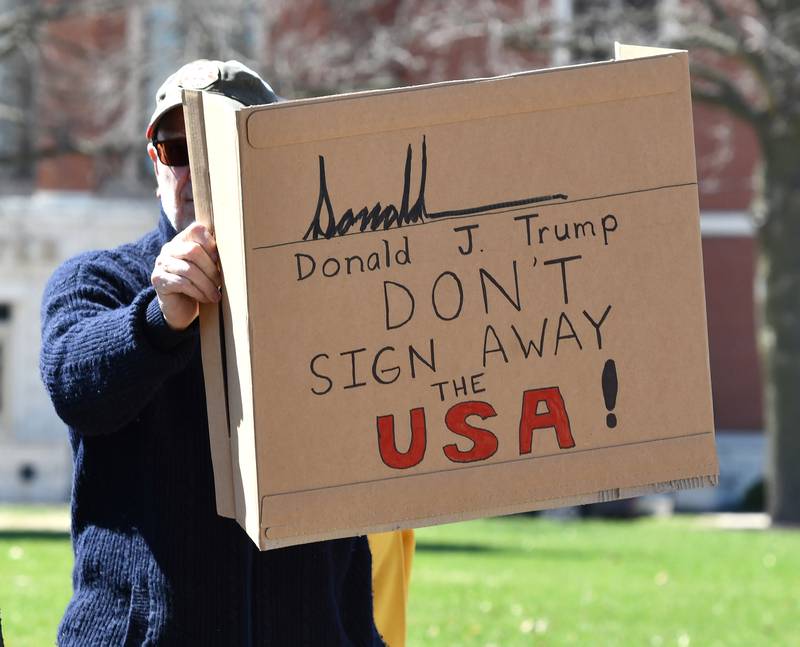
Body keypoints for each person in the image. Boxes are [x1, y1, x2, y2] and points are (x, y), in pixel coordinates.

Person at [40, 59, 385, 646]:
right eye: (177, 147)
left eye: (225, 145)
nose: (199, 169)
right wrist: (158, 320)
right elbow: (73, 383)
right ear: (155, 164)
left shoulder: (337, 288)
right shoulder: (99, 278)